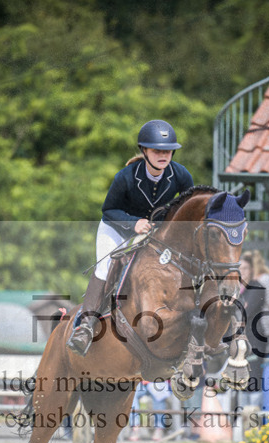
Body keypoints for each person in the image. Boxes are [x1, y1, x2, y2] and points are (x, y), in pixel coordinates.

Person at [66, 120, 194, 356]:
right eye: (157, 151)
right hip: (116, 229)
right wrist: (133, 223)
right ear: (145, 151)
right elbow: (109, 210)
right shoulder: (126, 177)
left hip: (153, 233)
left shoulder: (181, 175)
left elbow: (187, 209)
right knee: (105, 268)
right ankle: (86, 326)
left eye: (167, 151)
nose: (163, 156)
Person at [238, 250, 269, 395]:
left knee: (259, 375)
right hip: (252, 336)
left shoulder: (265, 281)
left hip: (266, 334)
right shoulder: (244, 285)